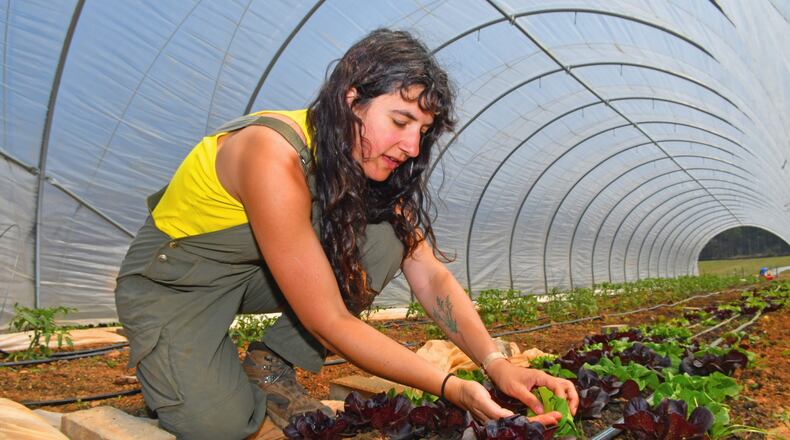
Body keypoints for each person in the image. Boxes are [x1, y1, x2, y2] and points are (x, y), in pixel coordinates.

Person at [115, 28, 578, 439]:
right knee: (219, 426)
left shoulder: (362, 160)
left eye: (423, 130)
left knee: (388, 235)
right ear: (351, 99)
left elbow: (429, 275)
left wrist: (495, 362)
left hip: (257, 272)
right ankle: (181, 375)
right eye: (399, 122)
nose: (412, 146)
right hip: (177, 283)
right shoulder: (270, 153)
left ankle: (269, 366)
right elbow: (329, 320)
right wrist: (451, 388)